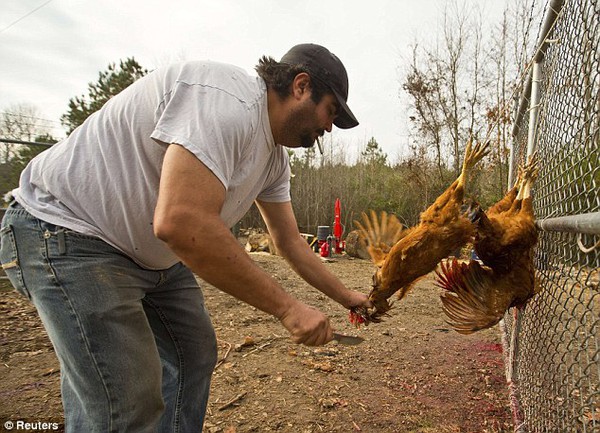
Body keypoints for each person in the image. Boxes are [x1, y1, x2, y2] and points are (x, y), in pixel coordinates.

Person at [0, 43, 371, 432]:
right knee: (124, 401)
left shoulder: (274, 161)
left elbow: (290, 242)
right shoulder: (227, 101)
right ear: (300, 86)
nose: (329, 127)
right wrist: (288, 309)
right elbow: (181, 223)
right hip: (67, 233)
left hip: (147, 257)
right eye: (331, 111)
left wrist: (349, 298)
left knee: (191, 354)